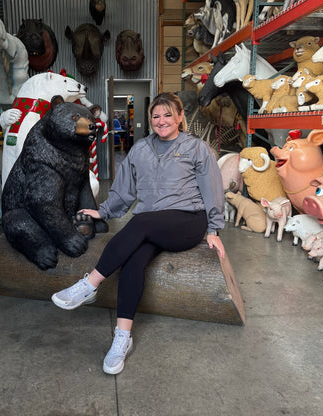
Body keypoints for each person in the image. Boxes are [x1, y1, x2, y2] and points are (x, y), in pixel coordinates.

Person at [51, 92, 226, 375]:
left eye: (168, 114)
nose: (162, 121)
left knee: (140, 222)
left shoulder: (196, 148)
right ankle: (123, 337)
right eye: (156, 116)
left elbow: (212, 188)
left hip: (187, 221)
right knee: (133, 261)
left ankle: (90, 285)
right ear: (150, 120)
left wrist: (214, 229)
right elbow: (124, 191)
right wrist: (104, 211)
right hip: (150, 225)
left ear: (180, 117)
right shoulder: (140, 149)